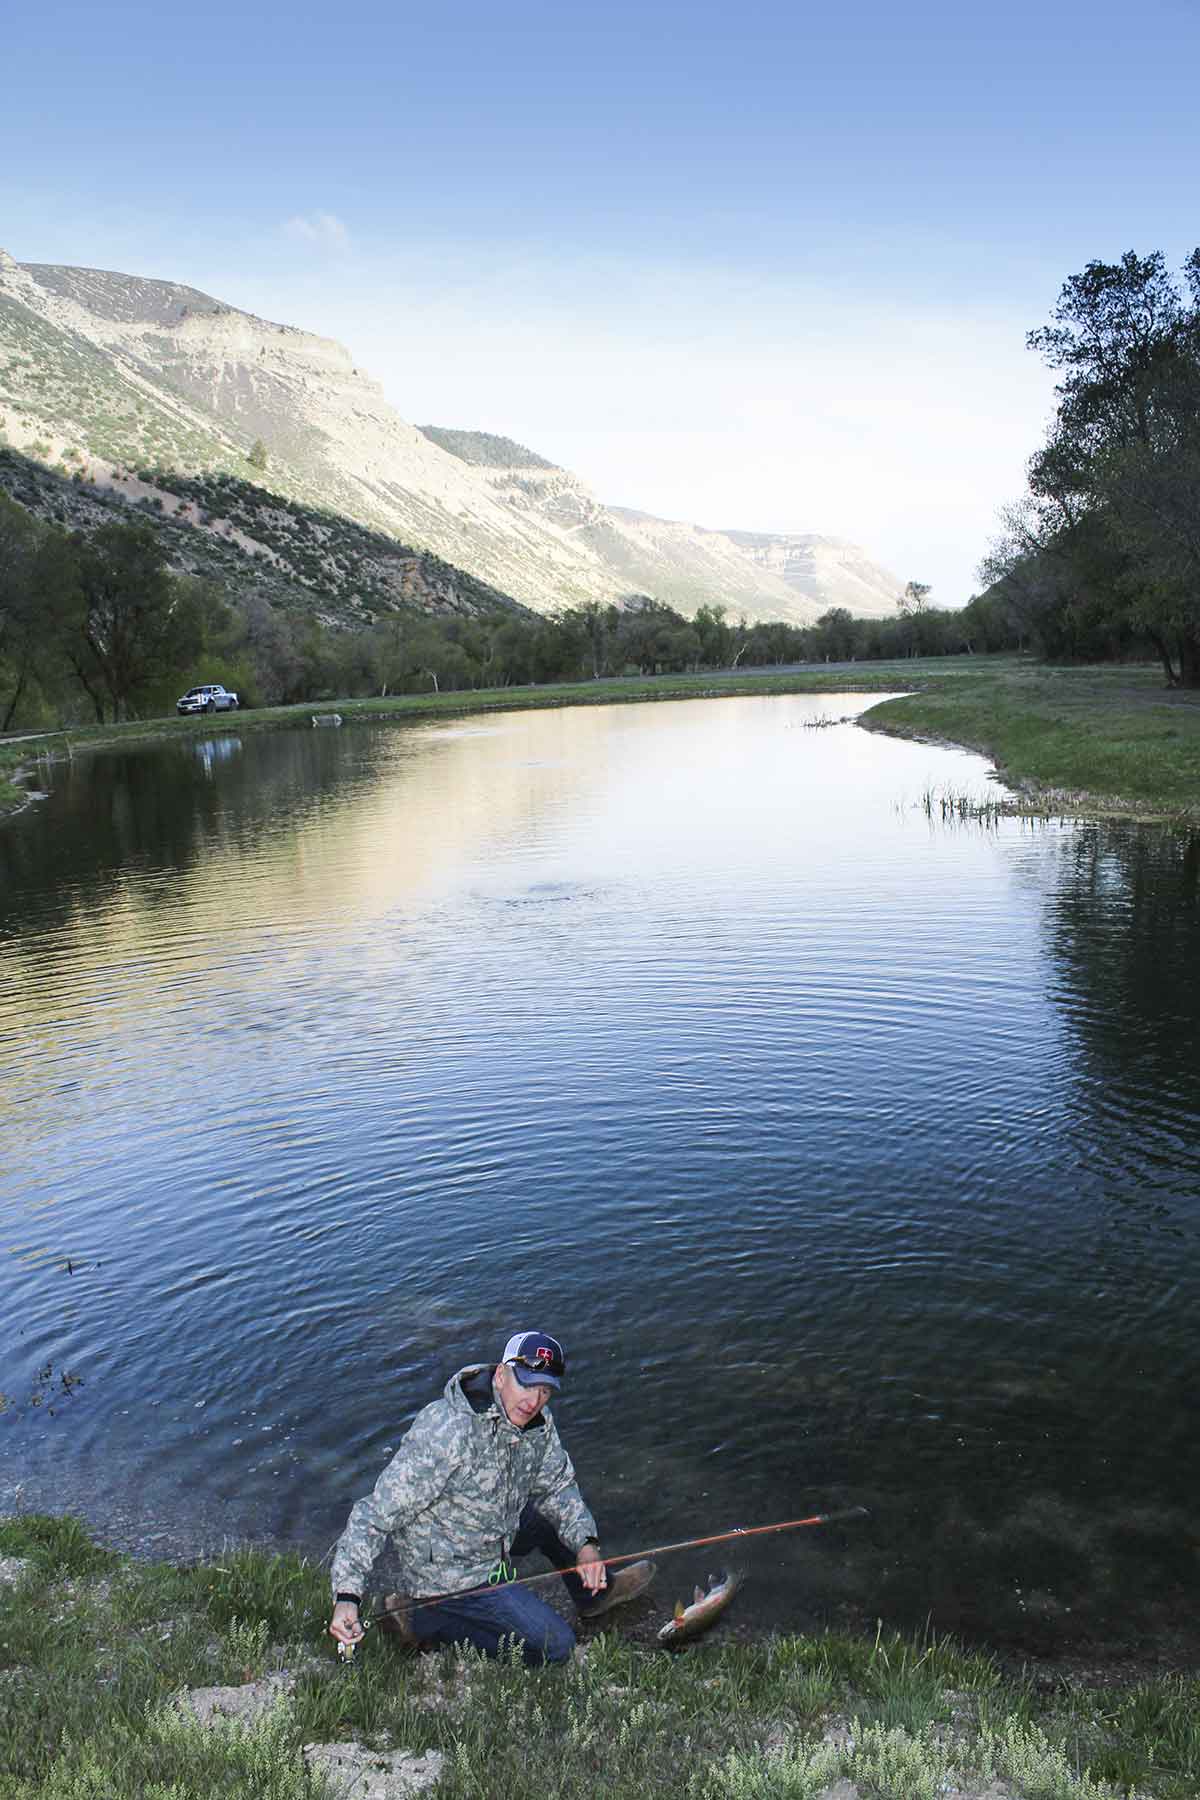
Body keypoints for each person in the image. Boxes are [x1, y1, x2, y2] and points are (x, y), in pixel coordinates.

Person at [327, 1330, 655, 1665]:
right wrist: (348, 1596)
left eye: (544, 1390)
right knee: (557, 1647)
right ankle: (421, 1619)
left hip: (494, 1531)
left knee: (546, 1518)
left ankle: (593, 1594)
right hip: (449, 1573)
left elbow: (557, 1484)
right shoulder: (447, 1431)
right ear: (500, 1375)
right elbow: (374, 1514)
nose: (533, 1400)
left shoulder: (538, 1424)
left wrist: (587, 1545)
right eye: (526, 1384)